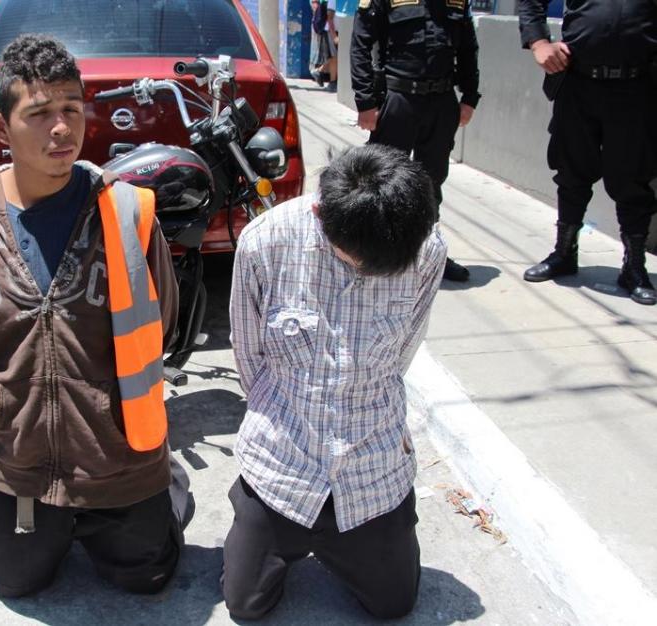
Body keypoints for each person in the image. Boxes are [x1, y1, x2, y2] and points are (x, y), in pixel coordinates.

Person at [0, 34, 183, 598]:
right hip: (17, 466)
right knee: (14, 582)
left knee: (147, 578)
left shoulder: (125, 213)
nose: (61, 129)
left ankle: (168, 490)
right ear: (1, 128)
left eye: (71, 108)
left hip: (118, 459)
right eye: (39, 114)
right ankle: (41, 528)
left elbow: (160, 319)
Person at [223, 144, 447, 620]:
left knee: (394, 605)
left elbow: (402, 354)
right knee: (244, 606)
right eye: (356, 258)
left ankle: (354, 541)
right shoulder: (265, 242)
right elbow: (249, 356)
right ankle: (255, 512)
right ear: (323, 216)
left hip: (372, 470)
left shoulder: (425, 249)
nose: (365, 271)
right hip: (282, 467)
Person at [519, 1, 657, 306]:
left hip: (636, 86)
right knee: (571, 172)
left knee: (634, 178)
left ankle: (633, 267)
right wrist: (538, 41)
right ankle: (564, 254)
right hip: (578, 83)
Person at [350, 0, 480, 282]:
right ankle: (376, 254)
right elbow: (361, 43)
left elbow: (468, 49)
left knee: (432, 182)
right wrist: (364, 101)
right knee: (383, 180)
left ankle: (429, 255)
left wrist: (470, 97)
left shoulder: (456, 2)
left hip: (442, 102)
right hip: (398, 100)